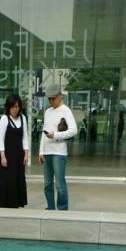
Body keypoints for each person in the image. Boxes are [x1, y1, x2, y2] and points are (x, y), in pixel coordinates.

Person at [39, 83, 77, 211]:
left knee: (60, 184)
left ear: (60, 96)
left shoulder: (66, 110)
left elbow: (73, 130)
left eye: (53, 98)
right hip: (47, 151)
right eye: (49, 99)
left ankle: (62, 209)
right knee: (47, 183)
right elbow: (44, 133)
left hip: (59, 152)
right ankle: (50, 207)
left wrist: (55, 135)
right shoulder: (48, 112)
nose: (51, 101)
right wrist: (41, 151)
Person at [0, 93, 28, 208]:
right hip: (8, 154)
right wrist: (3, 156)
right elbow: (1, 139)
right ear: (8, 107)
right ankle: (7, 202)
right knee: (8, 178)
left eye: (17, 106)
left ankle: (18, 201)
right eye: (13, 107)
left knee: (19, 177)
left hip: (19, 154)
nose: (15, 109)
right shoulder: (4, 119)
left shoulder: (23, 118)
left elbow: (25, 137)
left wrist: (26, 154)